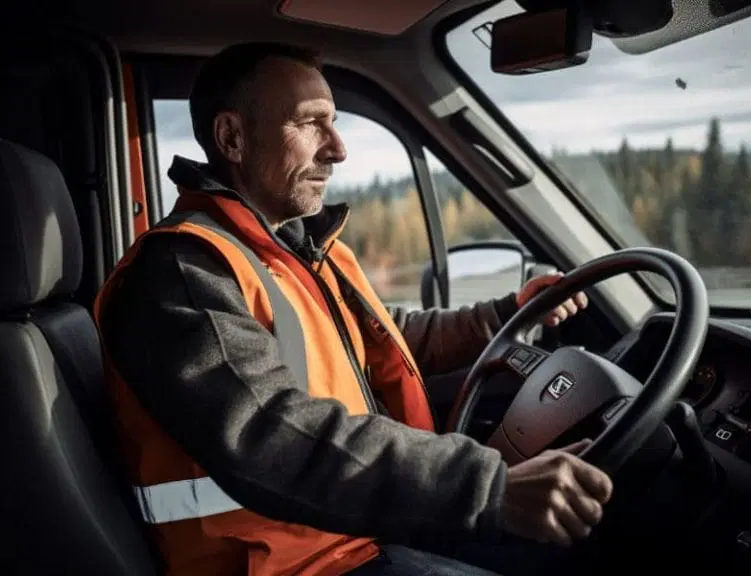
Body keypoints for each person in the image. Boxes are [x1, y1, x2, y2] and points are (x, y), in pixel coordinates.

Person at [93, 42, 612, 576]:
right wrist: (488, 487)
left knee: (589, 545)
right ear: (232, 138)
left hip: (352, 532)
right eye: (311, 123)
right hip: (291, 564)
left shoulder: (292, 252)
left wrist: (508, 312)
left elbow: (388, 338)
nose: (338, 149)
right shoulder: (182, 272)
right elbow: (268, 431)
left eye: (334, 122)